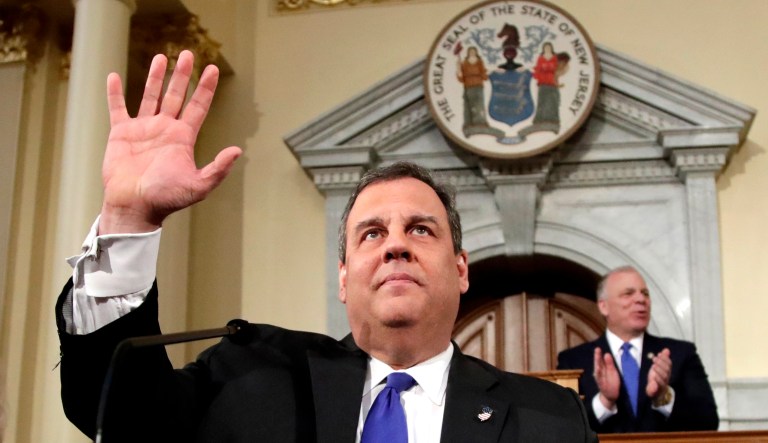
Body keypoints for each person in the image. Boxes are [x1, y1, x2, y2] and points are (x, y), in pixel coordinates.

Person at [55, 50, 598, 442]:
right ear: (343, 277)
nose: (396, 247)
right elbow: (123, 417)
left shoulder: (550, 419)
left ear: (461, 269)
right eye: (372, 233)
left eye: (421, 229)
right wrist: (127, 217)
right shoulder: (252, 375)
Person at [557, 265, 719, 433]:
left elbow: (708, 421)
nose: (641, 299)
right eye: (628, 293)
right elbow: (566, 428)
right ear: (603, 306)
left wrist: (663, 397)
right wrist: (605, 401)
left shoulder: (680, 354)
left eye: (645, 293)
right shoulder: (573, 360)